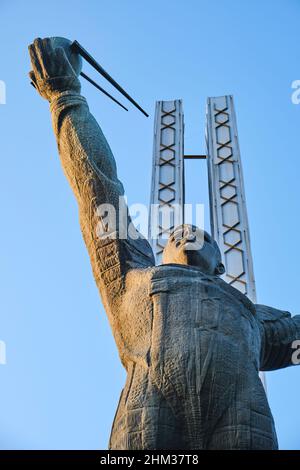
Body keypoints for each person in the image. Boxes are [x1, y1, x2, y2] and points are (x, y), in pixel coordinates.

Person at [28, 37, 300, 450]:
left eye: (202, 236)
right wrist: (66, 96)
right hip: (149, 404)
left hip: (241, 410)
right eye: (175, 234)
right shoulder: (131, 277)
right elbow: (97, 187)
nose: (187, 233)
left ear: (220, 266)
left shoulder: (255, 317)